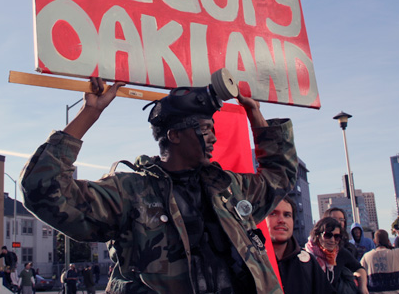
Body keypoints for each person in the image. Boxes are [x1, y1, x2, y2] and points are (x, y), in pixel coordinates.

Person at [20, 76, 298, 293]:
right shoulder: (131, 192)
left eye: (213, 130)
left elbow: (281, 176)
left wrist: (255, 115)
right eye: (204, 130)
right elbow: (42, 189)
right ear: (174, 136)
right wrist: (89, 113)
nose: (213, 138)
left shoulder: (228, 188)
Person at [265, 197, 335, 294]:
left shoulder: (308, 264)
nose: (281, 220)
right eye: (273, 214)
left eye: (287, 215)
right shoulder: (248, 262)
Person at [305, 217, 369, 294]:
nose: (332, 240)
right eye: (328, 235)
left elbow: (359, 268)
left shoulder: (340, 253)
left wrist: (363, 287)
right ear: (318, 235)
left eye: (337, 236)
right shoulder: (306, 256)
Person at [359, 227, 399, 294]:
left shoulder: (366, 257)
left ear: (374, 241)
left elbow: (360, 277)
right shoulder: (397, 254)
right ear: (388, 241)